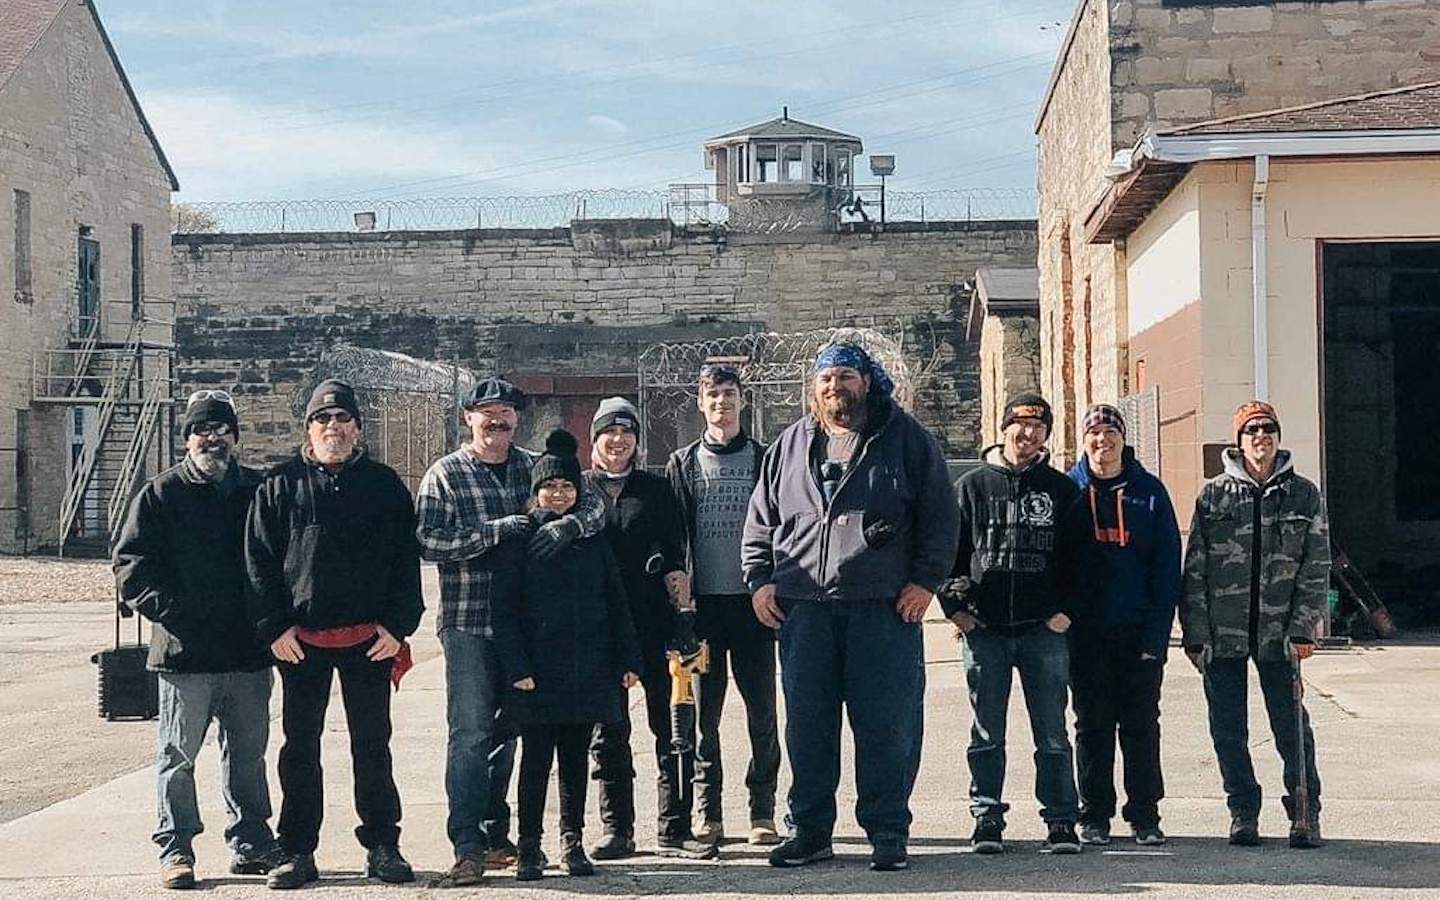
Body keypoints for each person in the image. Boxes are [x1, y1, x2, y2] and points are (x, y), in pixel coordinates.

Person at [743, 342, 958, 872]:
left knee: (887, 726)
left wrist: (925, 582)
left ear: (866, 381)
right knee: (808, 728)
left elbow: (940, 518)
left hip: (881, 609)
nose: (833, 387)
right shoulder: (790, 445)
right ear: (813, 390)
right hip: (803, 609)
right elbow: (762, 520)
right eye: (824, 379)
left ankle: (887, 832)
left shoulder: (906, 440)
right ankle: (810, 831)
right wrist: (759, 580)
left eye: (844, 376)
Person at [414, 376, 608, 887]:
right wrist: (493, 533)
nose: (496, 423)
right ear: (468, 418)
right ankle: (468, 843)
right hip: (471, 623)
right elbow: (429, 540)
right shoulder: (447, 474)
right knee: (472, 733)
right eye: (486, 414)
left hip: (530, 630)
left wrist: (572, 526)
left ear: (516, 420)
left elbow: (592, 502)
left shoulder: (530, 466)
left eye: (505, 414)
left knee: (515, 732)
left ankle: (501, 833)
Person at [245, 379, 424, 890]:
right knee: (300, 746)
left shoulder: (385, 486)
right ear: (309, 429)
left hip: (369, 640)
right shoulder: (279, 486)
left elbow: (403, 564)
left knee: (373, 745)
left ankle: (383, 844)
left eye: (343, 419)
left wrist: (397, 626)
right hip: (301, 643)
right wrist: (274, 626)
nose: (334, 429)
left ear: (358, 428)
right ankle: (297, 849)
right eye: (323, 420)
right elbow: (259, 563)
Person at [113, 392, 280, 889]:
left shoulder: (258, 489)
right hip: (186, 657)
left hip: (249, 654)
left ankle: (250, 842)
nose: (213, 438)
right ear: (186, 438)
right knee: (177, 757)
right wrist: (177, 614)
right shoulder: (160, 495)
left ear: (235, 436)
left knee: (247, 756)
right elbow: (130, 566)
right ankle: (175, 847)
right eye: (202, 430)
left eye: (222, 429)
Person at [489, 429, 643, 881]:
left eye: (567, 486)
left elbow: (617, 603)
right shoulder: (519, 541)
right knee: (535, 761)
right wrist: (516, 667)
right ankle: (530, 846)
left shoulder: (592, 540)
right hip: (537, 672)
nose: (559, 494)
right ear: (536, 493)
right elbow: (505, 611)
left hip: (587, 668)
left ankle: (571, 840)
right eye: (550, 487)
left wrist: (628, 659)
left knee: (575, 761)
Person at [1180, 400, 1328, 849]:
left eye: (1268, 429)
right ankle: (1242, 810)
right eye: (1251, 431)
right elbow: (1195, 571)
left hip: (1282, 635)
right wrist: (1195, 634)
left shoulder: (1303, 494)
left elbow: (1316, 565)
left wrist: (1304, 625)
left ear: (1279, 438)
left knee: (1291, 725)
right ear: (1238, 441)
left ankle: (1305, 810)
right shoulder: (1214, 496)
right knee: (1228, 726)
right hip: (1223, 633)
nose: (1260, 437)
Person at [944, 392, 1083, 855]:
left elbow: (1082, 563)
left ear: (1046, 434)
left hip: (1044, 630)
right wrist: (956, 610)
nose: (1028, 435)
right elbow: (950, 555)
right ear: (1003, 430)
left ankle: (1062, 820)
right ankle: (987, 817)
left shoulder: (1062, 491)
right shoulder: (971, 487)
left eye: (1038, 428)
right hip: (985, 632)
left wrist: (1066, 612)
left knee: (1052, 733)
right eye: (1020, 426)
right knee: (986, 733)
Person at [584, 397, 716, 859]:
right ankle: (617, 828)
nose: (617, 441)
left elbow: (675, 557)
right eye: (608, 433)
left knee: (672, 727)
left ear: (637, 441)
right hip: (599, 629)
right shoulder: (579, 491)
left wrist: (683, 617)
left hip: (654, 622)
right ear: (594, 439)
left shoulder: (656, 490)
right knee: (609, 731)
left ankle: (674, 827)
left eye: (626, 432)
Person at [665, 364, 781, 847]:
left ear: (742, 400)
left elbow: (782, 526)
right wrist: (680, 603)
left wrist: (773, 586)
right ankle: (709, 812)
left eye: (729, 394)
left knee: (762, 713)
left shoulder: (764, 458)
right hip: (705, 610)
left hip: (754, 605)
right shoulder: (683, 463)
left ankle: (763, 810)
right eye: (713, 395)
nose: (722, 403)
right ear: (700, 402)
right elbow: (674, 538)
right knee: (704, 717)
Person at [1064, 404, 1180, 846]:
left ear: (1123, 439)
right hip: (1085, 634)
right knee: (1090, 725)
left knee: (1141, 724)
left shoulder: (1150, 493)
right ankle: (1093, 814)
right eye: (1094, 432)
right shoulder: (1068, 491)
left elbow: (1167, 569)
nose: (1103, 441)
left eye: (1111, 432)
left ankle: (1144, 814)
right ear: (1084, 440)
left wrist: (1157, 635)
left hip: (1137, 633)